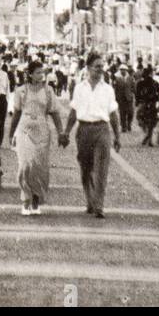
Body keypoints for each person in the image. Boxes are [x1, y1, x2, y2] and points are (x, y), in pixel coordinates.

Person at [60, 52, 121, 219]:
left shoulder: (108, 89)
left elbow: (114, 114)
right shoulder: (79, 88)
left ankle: (99, 205)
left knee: (101, 169)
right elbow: (73, 112)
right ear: (88, 68)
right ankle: (90, 200)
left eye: (102, 66)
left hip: (102, 129)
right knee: (86, 168)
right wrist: (66, 131)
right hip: (84, 130)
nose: (100, 70)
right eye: (97, 66)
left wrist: (117, 135)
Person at [7, 60, 63, 215]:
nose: (41, 75)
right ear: (30, 74)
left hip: (42, 131)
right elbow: (17, 113)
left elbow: (55, 113)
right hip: (24, 130)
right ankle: (25, 201)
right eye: (38, 72)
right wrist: (11, 133)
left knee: (39, 167)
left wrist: (61, 132)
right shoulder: (20, 91)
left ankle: (36, 201)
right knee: (25, 165)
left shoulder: (49, 91)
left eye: (43, 72)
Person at [135, 67, 159, 146]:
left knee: (141, 118)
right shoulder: (155, 83)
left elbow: (137, 94)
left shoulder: (140, 83)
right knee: (152, 122)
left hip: (143, 103)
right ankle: (150, 138)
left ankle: (146, 133)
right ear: (150, 74)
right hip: (152, 104)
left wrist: (137, 102)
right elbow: (158, 94)